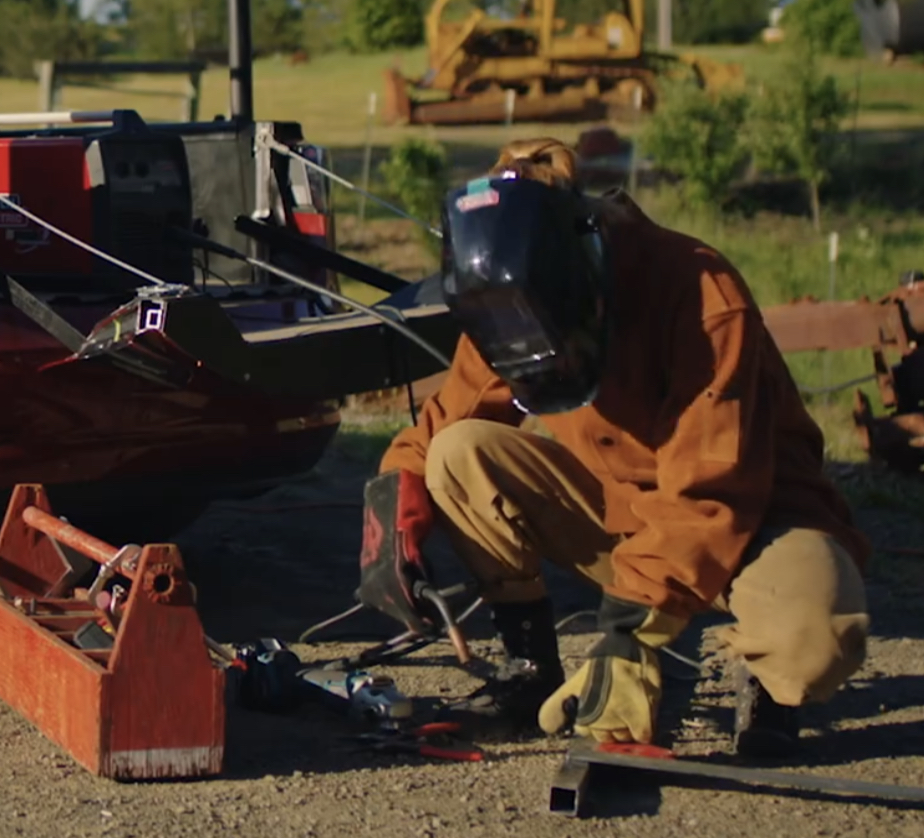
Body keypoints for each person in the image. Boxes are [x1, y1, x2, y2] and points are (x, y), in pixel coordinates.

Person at [356, 138, 869, 757]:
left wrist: (628, 637)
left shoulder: (698, 292)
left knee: (810, 644)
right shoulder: (513, 301)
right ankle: (529, 673)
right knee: (457, 453)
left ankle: (763, 675)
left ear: (587, 264)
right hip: (637, 524)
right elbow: (444, 424)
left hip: (756, 522)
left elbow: (709, 489)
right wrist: (396, 501)